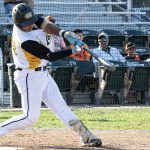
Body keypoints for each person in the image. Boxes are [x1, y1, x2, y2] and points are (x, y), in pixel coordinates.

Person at [0, 3, 102, 147]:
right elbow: (50, 56)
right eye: (26, 24)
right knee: (30, 117)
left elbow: (46, 25)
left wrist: (64, 33)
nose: (30, 25)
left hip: (42, 73)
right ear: (18, 24)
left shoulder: (28, 19)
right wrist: (72, 50)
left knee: (61, 107)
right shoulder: (23, 40)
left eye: (31, 22)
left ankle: (86, 136)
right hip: (29, 77)